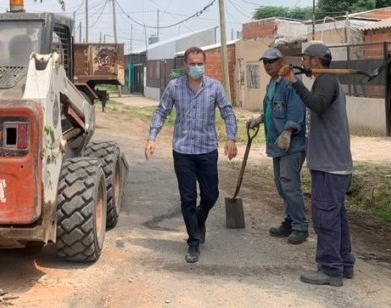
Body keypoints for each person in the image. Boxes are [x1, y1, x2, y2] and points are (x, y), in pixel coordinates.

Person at [145, 47, 238, 264]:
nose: (197, 67)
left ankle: (198, 219)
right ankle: (193, 241)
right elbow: (162, 111)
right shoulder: (175, 86)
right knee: (187, 198)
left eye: (200, 63)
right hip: (183, 151)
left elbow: (227, 111)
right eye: (192, 63)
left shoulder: (215, 87)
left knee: (210, 195)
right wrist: (152, 137)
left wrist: (231, 138)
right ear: (185, 65)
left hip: (207, 149)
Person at [280, 43, 354, 287]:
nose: (305, 64)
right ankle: (344, 263)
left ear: (315, 61)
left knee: (325, 216)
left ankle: (330, 269)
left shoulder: (326, 81)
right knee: (335, 214)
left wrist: (294, 82)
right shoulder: (326, 81)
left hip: (330, 164)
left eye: (307, 59)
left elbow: (317, 104)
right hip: (333, 162)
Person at [246, 47, 309, 245]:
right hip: (277, 143)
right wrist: (259, 119)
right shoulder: (271, 85)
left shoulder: (290, 82)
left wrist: (289, 131)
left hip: (292, 143)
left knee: (290, 185)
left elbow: (297, 110)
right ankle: (290, 221)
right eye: (265, 62)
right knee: (281, 186)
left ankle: (300, 226)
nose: (267, 65)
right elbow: (271, 110)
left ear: (280, 61)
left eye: (271, 61)